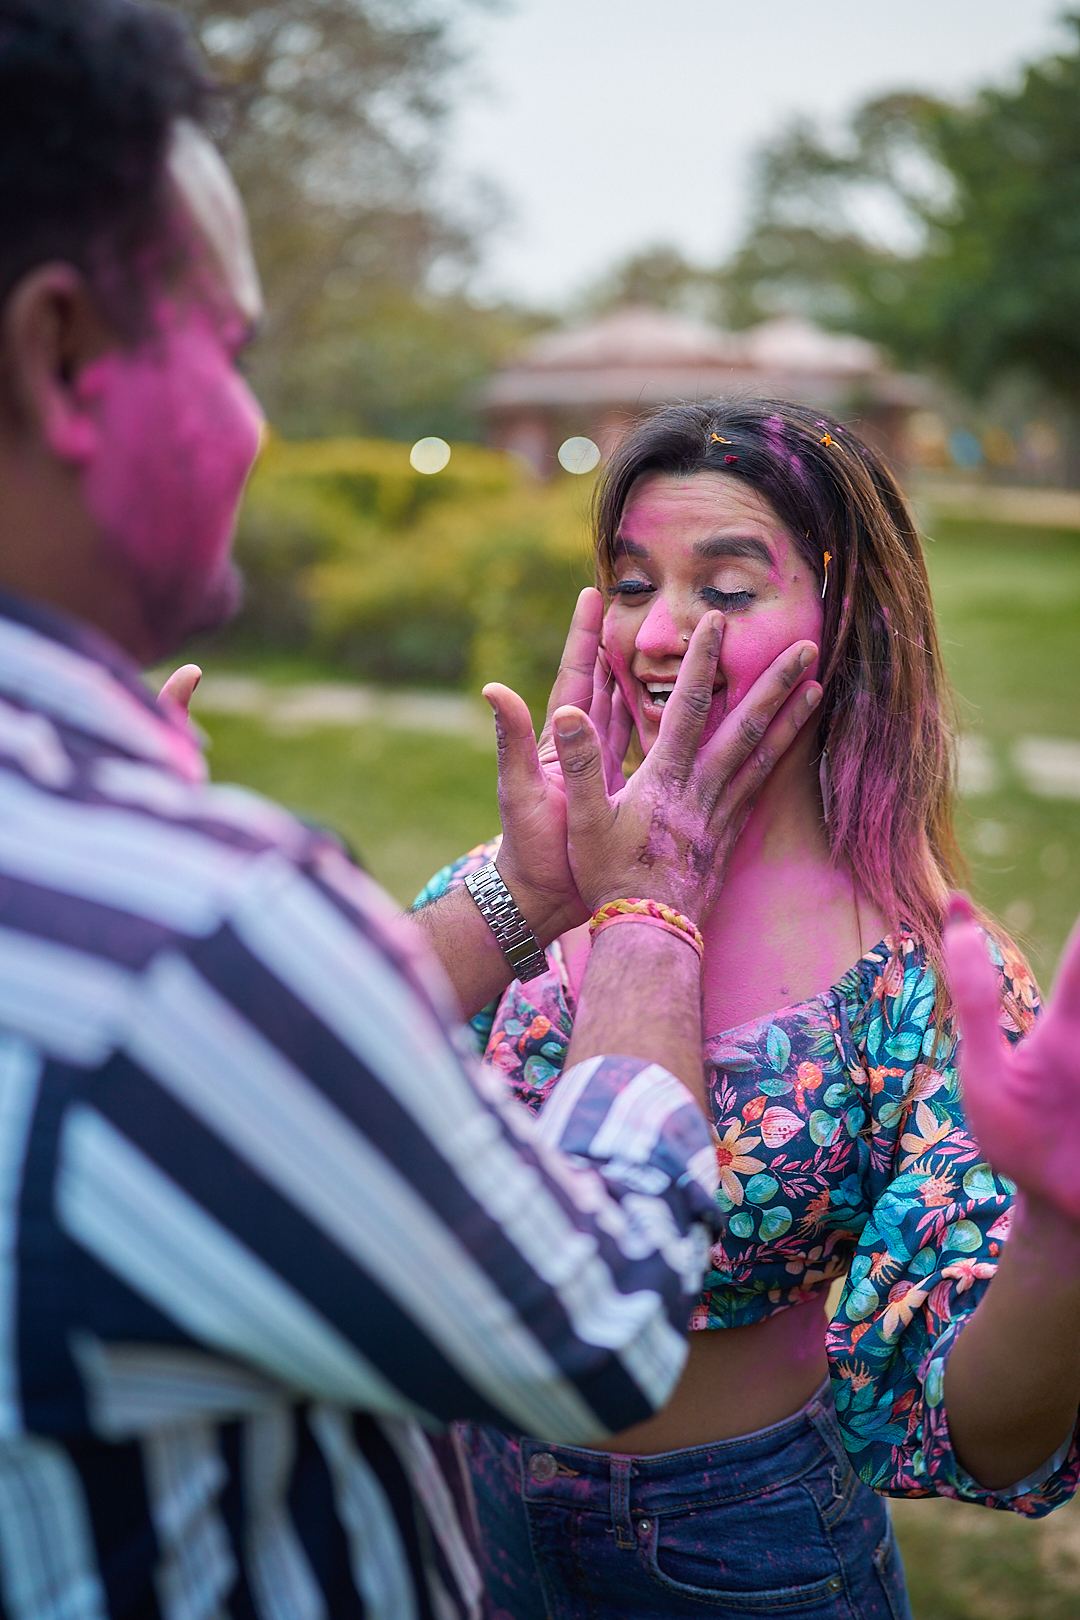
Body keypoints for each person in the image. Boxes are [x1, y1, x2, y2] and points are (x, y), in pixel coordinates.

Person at [0, 5, 831, 1617]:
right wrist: (648, 912)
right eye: (234, 354)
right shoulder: (179, 931)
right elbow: (586, 1322)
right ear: (64, 358)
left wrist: (522, 901)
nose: (251, 424)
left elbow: (239, 1098)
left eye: (725, 585)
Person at [418, 401, 1080, 1619]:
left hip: (738, 1547)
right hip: (468, 1502)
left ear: (855, 619)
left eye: (725, 590)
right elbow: (328, 1081)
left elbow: (986, 1435)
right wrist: (523, 896)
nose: (659, 633)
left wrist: (1064, 1230)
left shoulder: (916, 970)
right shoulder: (524, 875)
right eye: (628, 582)